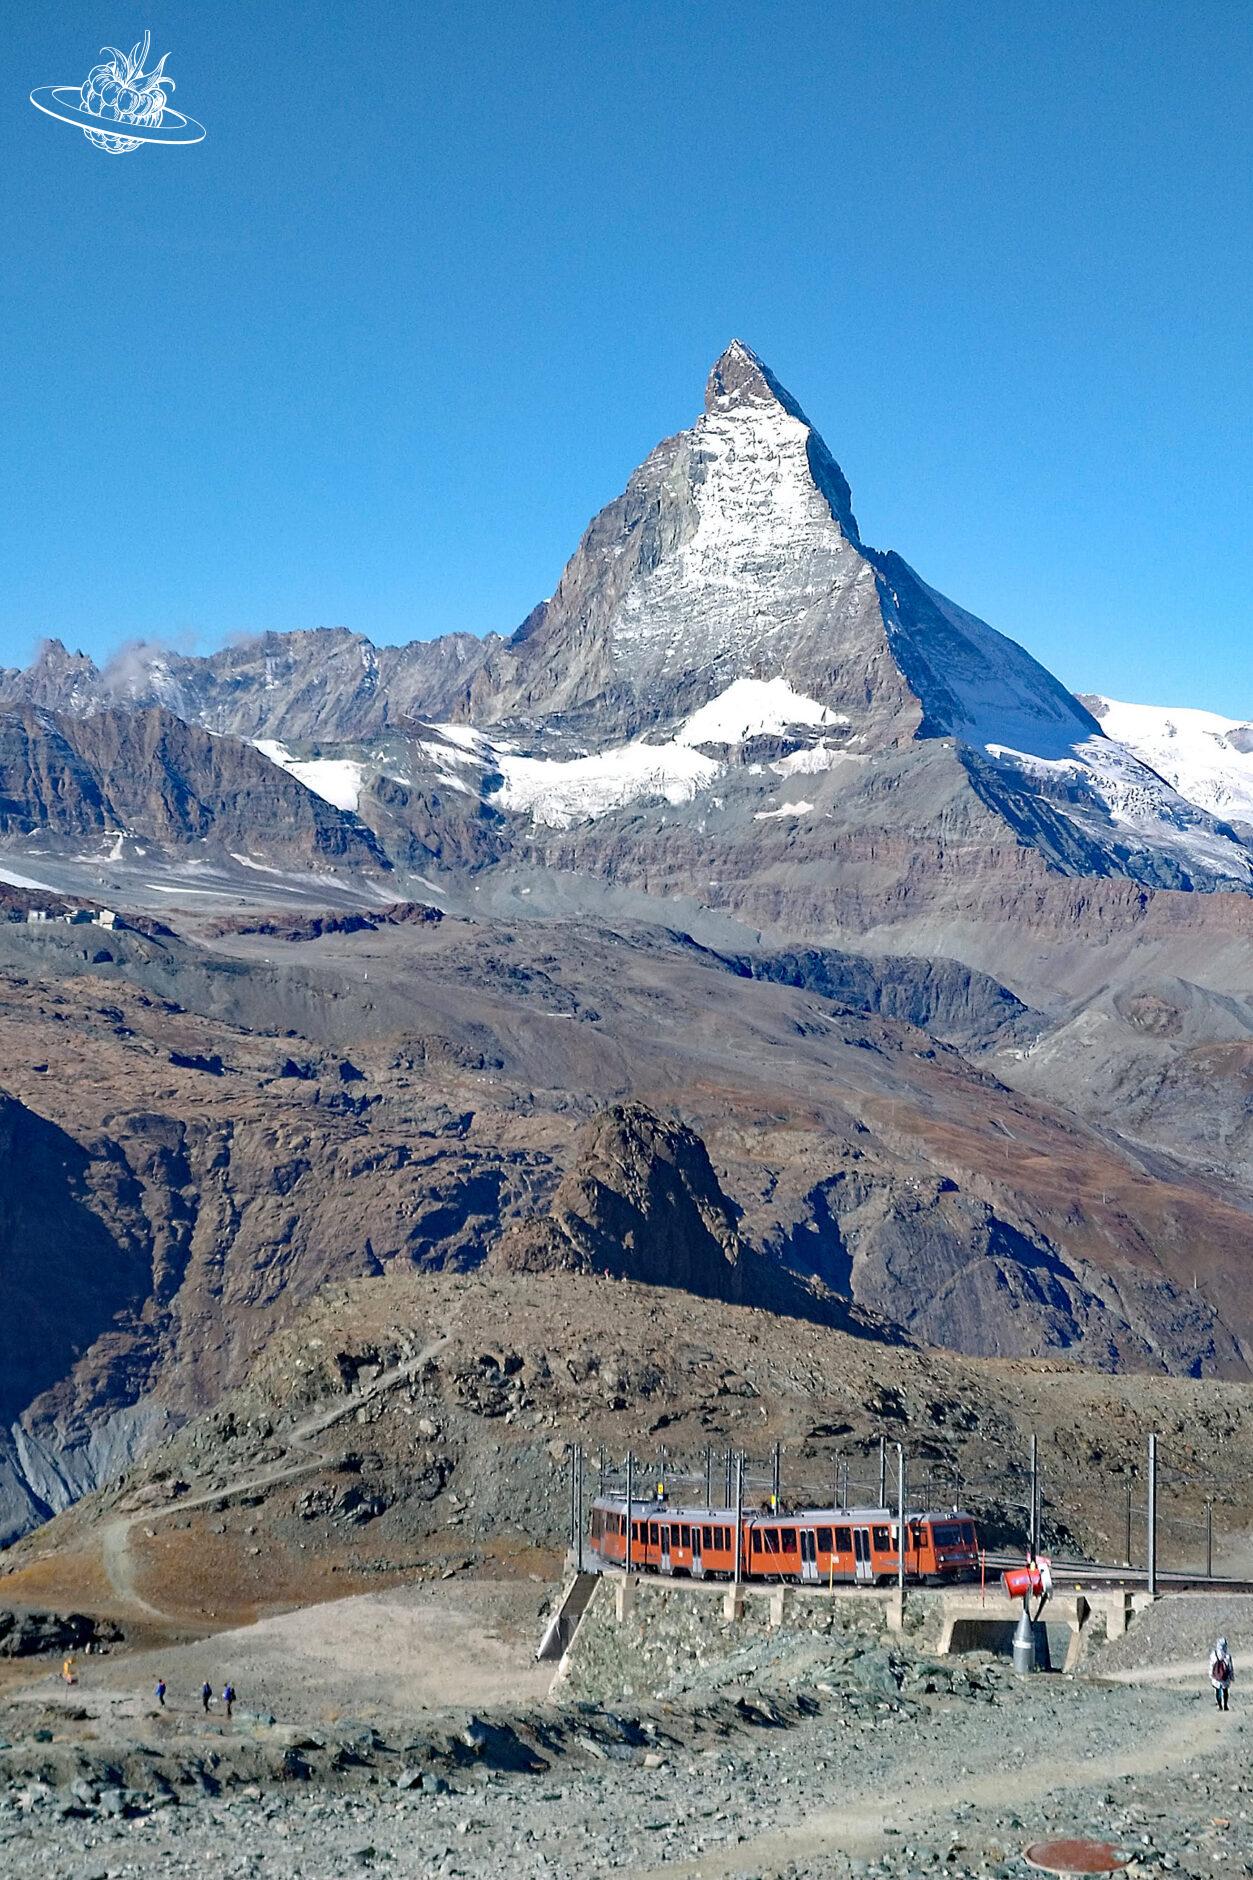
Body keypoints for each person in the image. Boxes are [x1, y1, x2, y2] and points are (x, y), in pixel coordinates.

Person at [1210, 1637, 1234, 1710]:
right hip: (1225, 1677)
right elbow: (1230, 1667)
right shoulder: (1227, 1656)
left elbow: (1211, 1666)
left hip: (1216, 1676)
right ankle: (1225, 1705)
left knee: (1217, 1691)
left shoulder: (1213, 1654)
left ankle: (1220, 1706)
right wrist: (1231, 1676)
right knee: (1225, 1691)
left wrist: (1211, 1675)